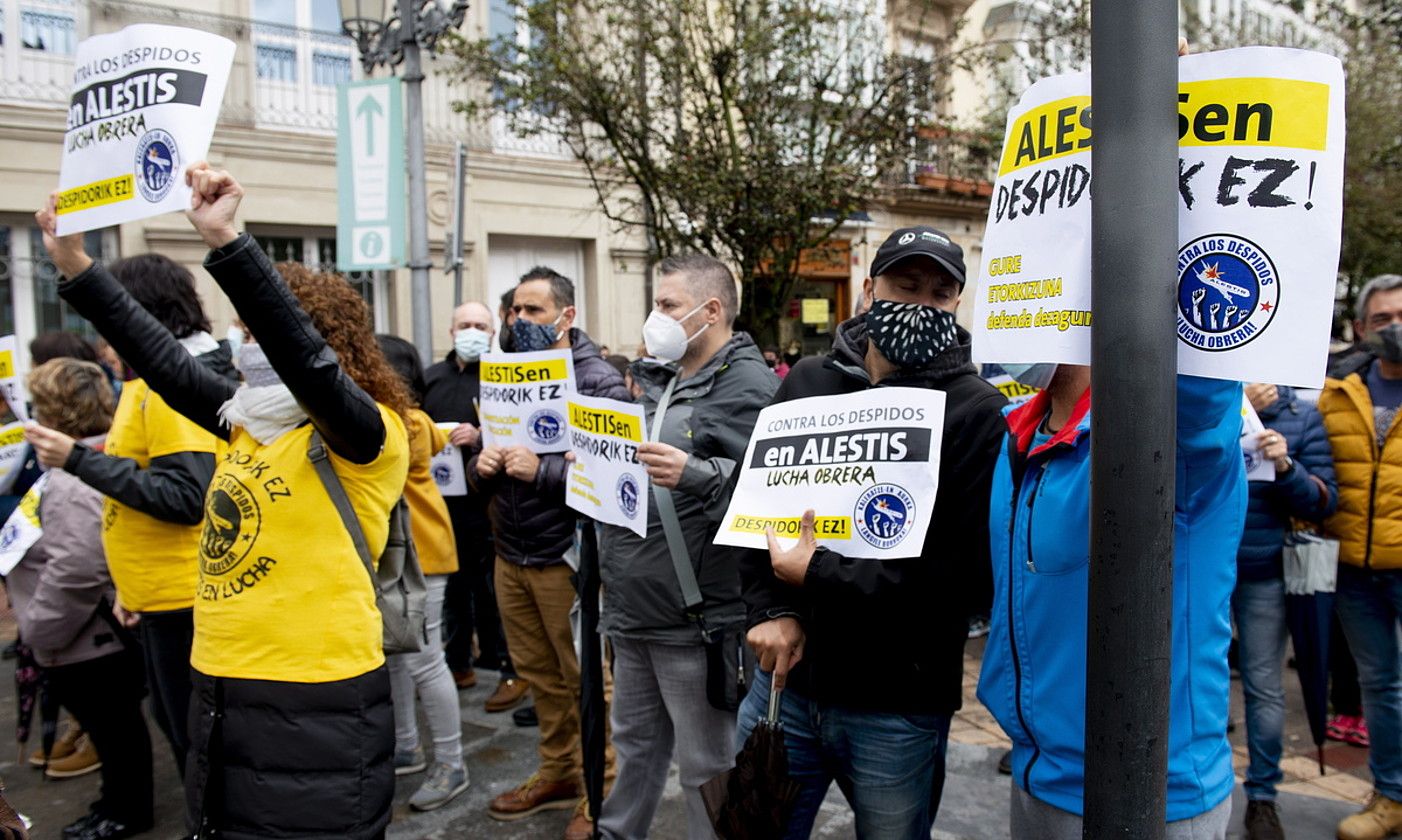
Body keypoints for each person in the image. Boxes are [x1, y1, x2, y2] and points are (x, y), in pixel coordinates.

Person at [38, 162, 411, 840]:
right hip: (222, 681)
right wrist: (77, 265)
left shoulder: (368, 434)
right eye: (240, 327)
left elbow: (308, 366)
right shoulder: (249, 421)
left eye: (253, 326)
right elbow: (164, 364)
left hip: (315, 694)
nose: (242, 340)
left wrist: (227, 244)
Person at [739, 226, 1008, 837]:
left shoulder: (976, 411)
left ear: (958, 304)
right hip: (787, 684)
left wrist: (818, 572)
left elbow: (961, 575)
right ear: (868, 290)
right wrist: (770, 609)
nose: (921, 304)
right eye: (904, 286)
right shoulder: (807, 380)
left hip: (898, 705)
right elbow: (752, 509)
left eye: (940, 294)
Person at [977, 371, 1244, 834]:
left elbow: (1201, 398)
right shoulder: (1020, 432)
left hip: (1148, 797)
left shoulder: (1161, 428)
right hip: (1036, 775)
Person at [24, 253, 235, 788]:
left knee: (195, 737)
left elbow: (188, 497)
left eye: (110, 312)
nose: (103, 337)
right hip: (156, 596)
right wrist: (128, 584)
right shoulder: (146, 384)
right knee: (177, 725)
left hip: (185, 599)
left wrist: (76, 459)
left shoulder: (169, 389)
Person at [597, 255, 778, 840]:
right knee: (634, 748)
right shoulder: (663, 378)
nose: (656, 317)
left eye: (668, 305)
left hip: (694, 619)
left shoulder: (752, 386)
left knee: (705, 766)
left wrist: (697, 473)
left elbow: (771, 490)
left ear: (712, 311)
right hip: (634, 608)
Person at [471, 267, 627, 839]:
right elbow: (485, 451)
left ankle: (601, 785)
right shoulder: (501, 378)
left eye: (533, 310)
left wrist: (545, 471)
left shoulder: (597, 380)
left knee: (586, 679)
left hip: (568, 556)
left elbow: (614, 476)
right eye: (514, 311)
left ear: (567, 316)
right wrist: (481, 466)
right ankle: (559, 771)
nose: (519, 321)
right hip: (510, 554)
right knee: (540, 675)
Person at [14, 358, 152, 840]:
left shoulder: (75, 480)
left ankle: (123, 810)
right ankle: (116, 804)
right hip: (89, 633)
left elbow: (77, 566)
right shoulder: (97, 459)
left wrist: (39, 629)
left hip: (86, 637)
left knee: (115, 733)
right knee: (115, 731)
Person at [1234, 382, 1337, 840]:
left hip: (1264, 574)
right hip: (1202, 569)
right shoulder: (1213, 402)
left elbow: (1323, 501)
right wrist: (1231, 420)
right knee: (1194, 681)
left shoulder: (1303, 415)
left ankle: (1262, 798)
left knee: (1264, 687)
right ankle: (1197, 787)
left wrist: (1285, 465)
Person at [1319, 273, 1402, 840]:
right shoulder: (1337, 388)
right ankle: (1391, 795)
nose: (1394, 328)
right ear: (1362, 328)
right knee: (1379, 686)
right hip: (1353, 568)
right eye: (1382, 320)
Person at [376, 334, 471, 811]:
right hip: (406, 555)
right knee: (398, 655)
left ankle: (452, 762)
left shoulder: (399, 423)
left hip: (421, 557)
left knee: (424, 659)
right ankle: (407, 745)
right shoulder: (414, 420)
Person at [421, 302, 525, 711]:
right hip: (441, 504)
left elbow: (520, 431)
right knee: (452, 589)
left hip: (492, 502)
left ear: (493, 330)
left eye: (480, 325)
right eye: (465, 324)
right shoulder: (431, 378)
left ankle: (510, 670)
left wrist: (480, 435)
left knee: (496, 591)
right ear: (451, 330)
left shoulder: (504, 381)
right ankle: (458, 662)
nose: (472, 331)